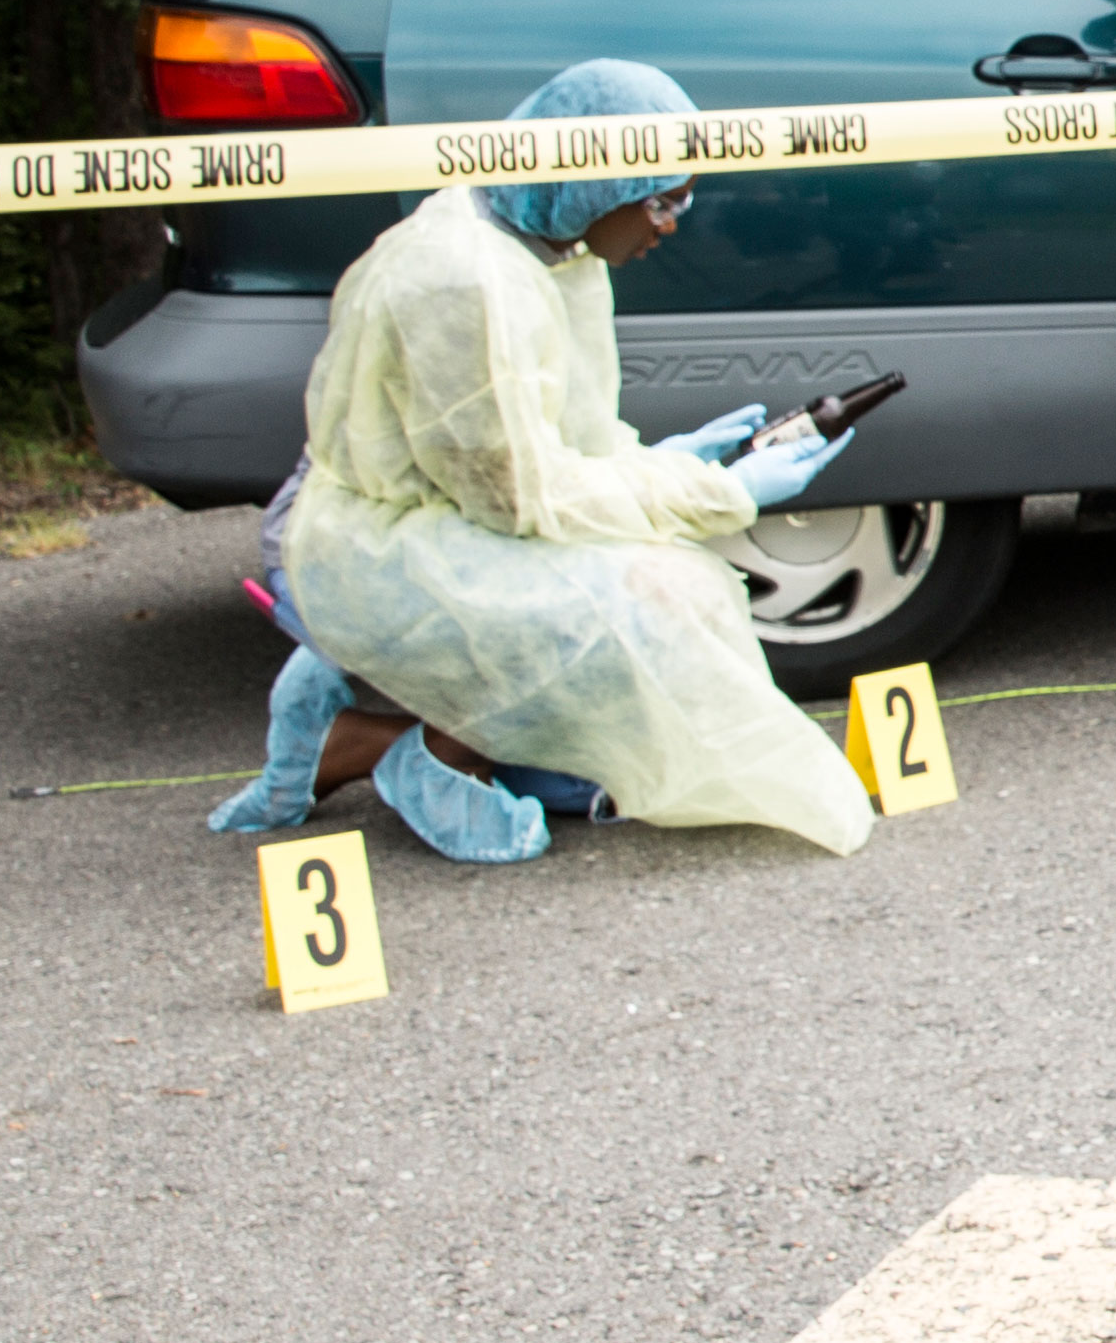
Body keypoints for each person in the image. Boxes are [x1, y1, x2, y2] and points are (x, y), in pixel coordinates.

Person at [207, 61, 873, 865]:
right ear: (597, 179)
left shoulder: (555, 245)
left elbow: (565, 446)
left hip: (448, 510)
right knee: (647, 600)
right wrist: (712, 489)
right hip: (355, 542)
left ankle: (378, 732)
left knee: (638, 665)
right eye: (660, 199)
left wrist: (661, 463)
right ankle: (421, 756)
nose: (672, 224)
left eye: (685, 198)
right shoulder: (463, 278)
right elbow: (519, 498)